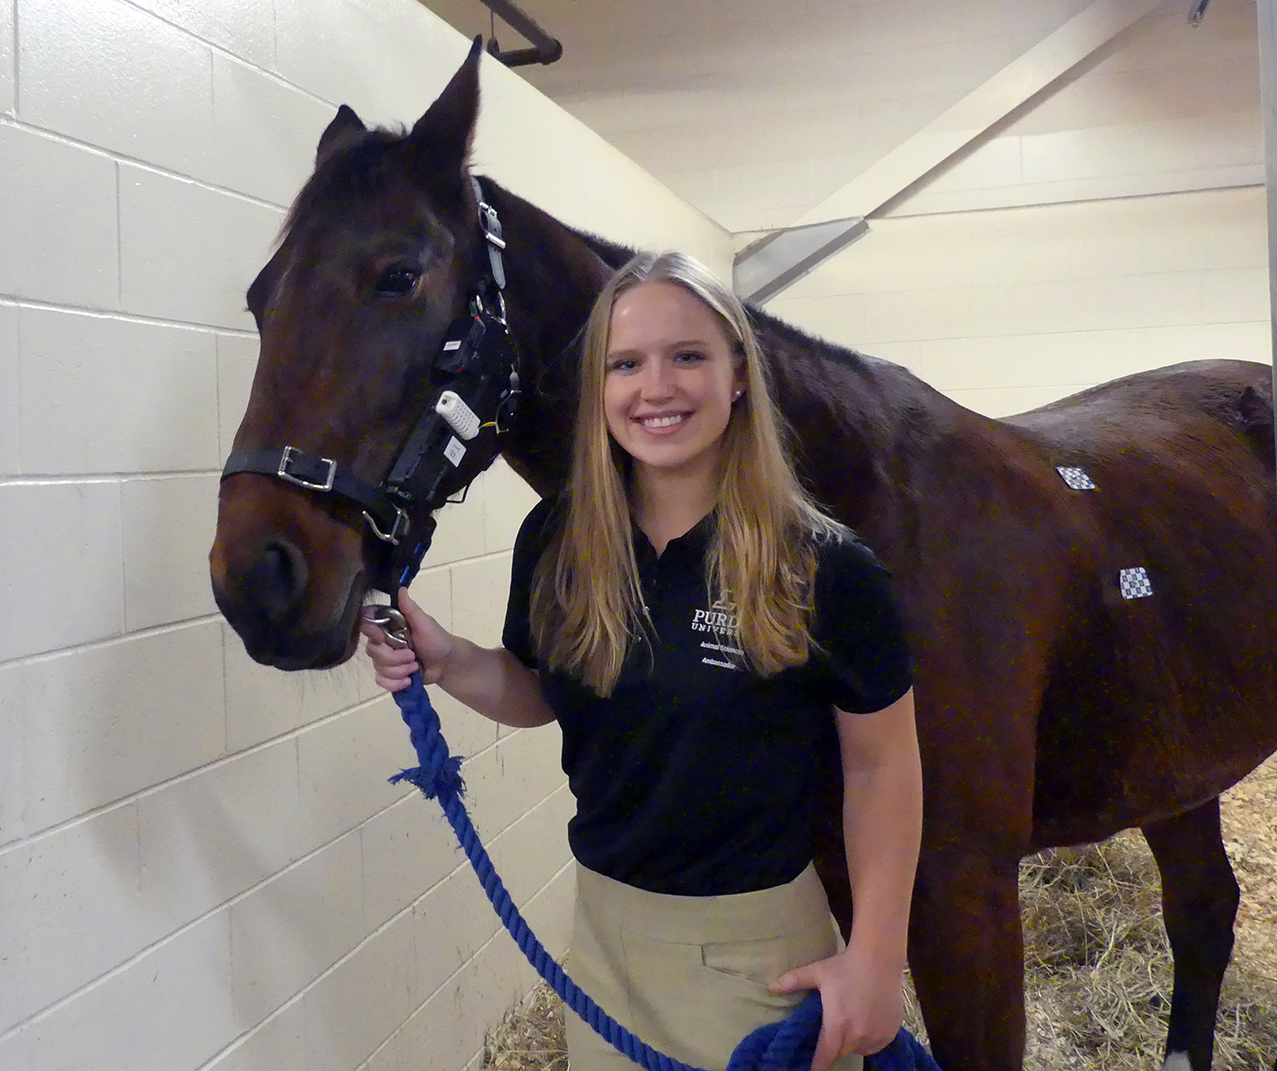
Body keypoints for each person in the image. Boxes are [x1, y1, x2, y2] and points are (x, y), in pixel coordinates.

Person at [362, 251, 922, 1071]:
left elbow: (882, 767)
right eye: (626, 363)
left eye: (686, 356)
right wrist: (451, 661)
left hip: (754, 957)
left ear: (737, 375)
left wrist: (876, 957)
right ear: (601, 387)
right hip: (601, 944)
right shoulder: (558, 538)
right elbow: (543, 693)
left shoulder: (825, 566)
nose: (654, 387)